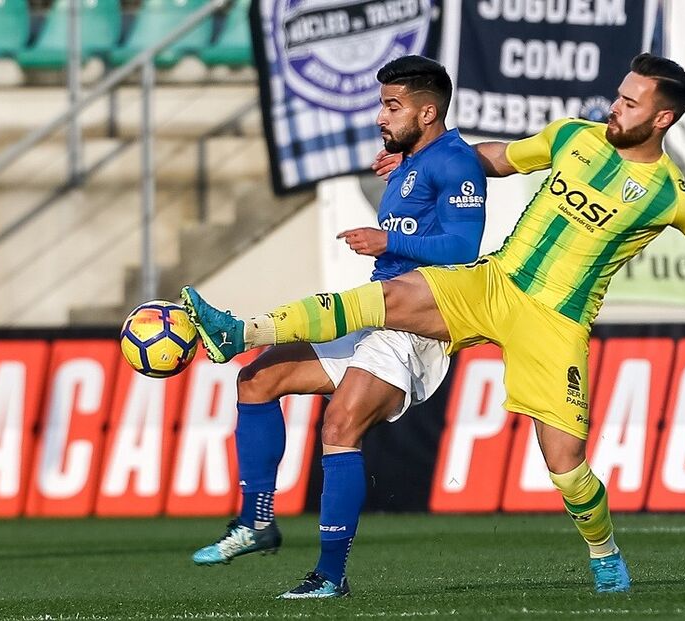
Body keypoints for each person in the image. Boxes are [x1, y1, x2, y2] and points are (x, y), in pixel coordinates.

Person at [182, 53, 685, 594]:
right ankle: (240, 331)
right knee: (387, 297)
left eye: (630, 102)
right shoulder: (576, 136)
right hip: (495, 282)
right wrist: (418, 162)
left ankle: (604, 552)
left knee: (567, 467)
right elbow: (494, 159)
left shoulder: (673, 197)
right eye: (619, 95)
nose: (615, 107)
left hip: (555, 322)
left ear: (662, 117)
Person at [188, 55, 487, 599]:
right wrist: (407, 169)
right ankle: (256, 522)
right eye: (381, 104)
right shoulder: (414, 160)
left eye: (392, 106)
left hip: (415, 326)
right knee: (257, 380)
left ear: (427, 112)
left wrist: (390, 240)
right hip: (380, 313)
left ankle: (330, 575)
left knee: (339, 426)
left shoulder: (454, 161)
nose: (380, 116)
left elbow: (464, 247)